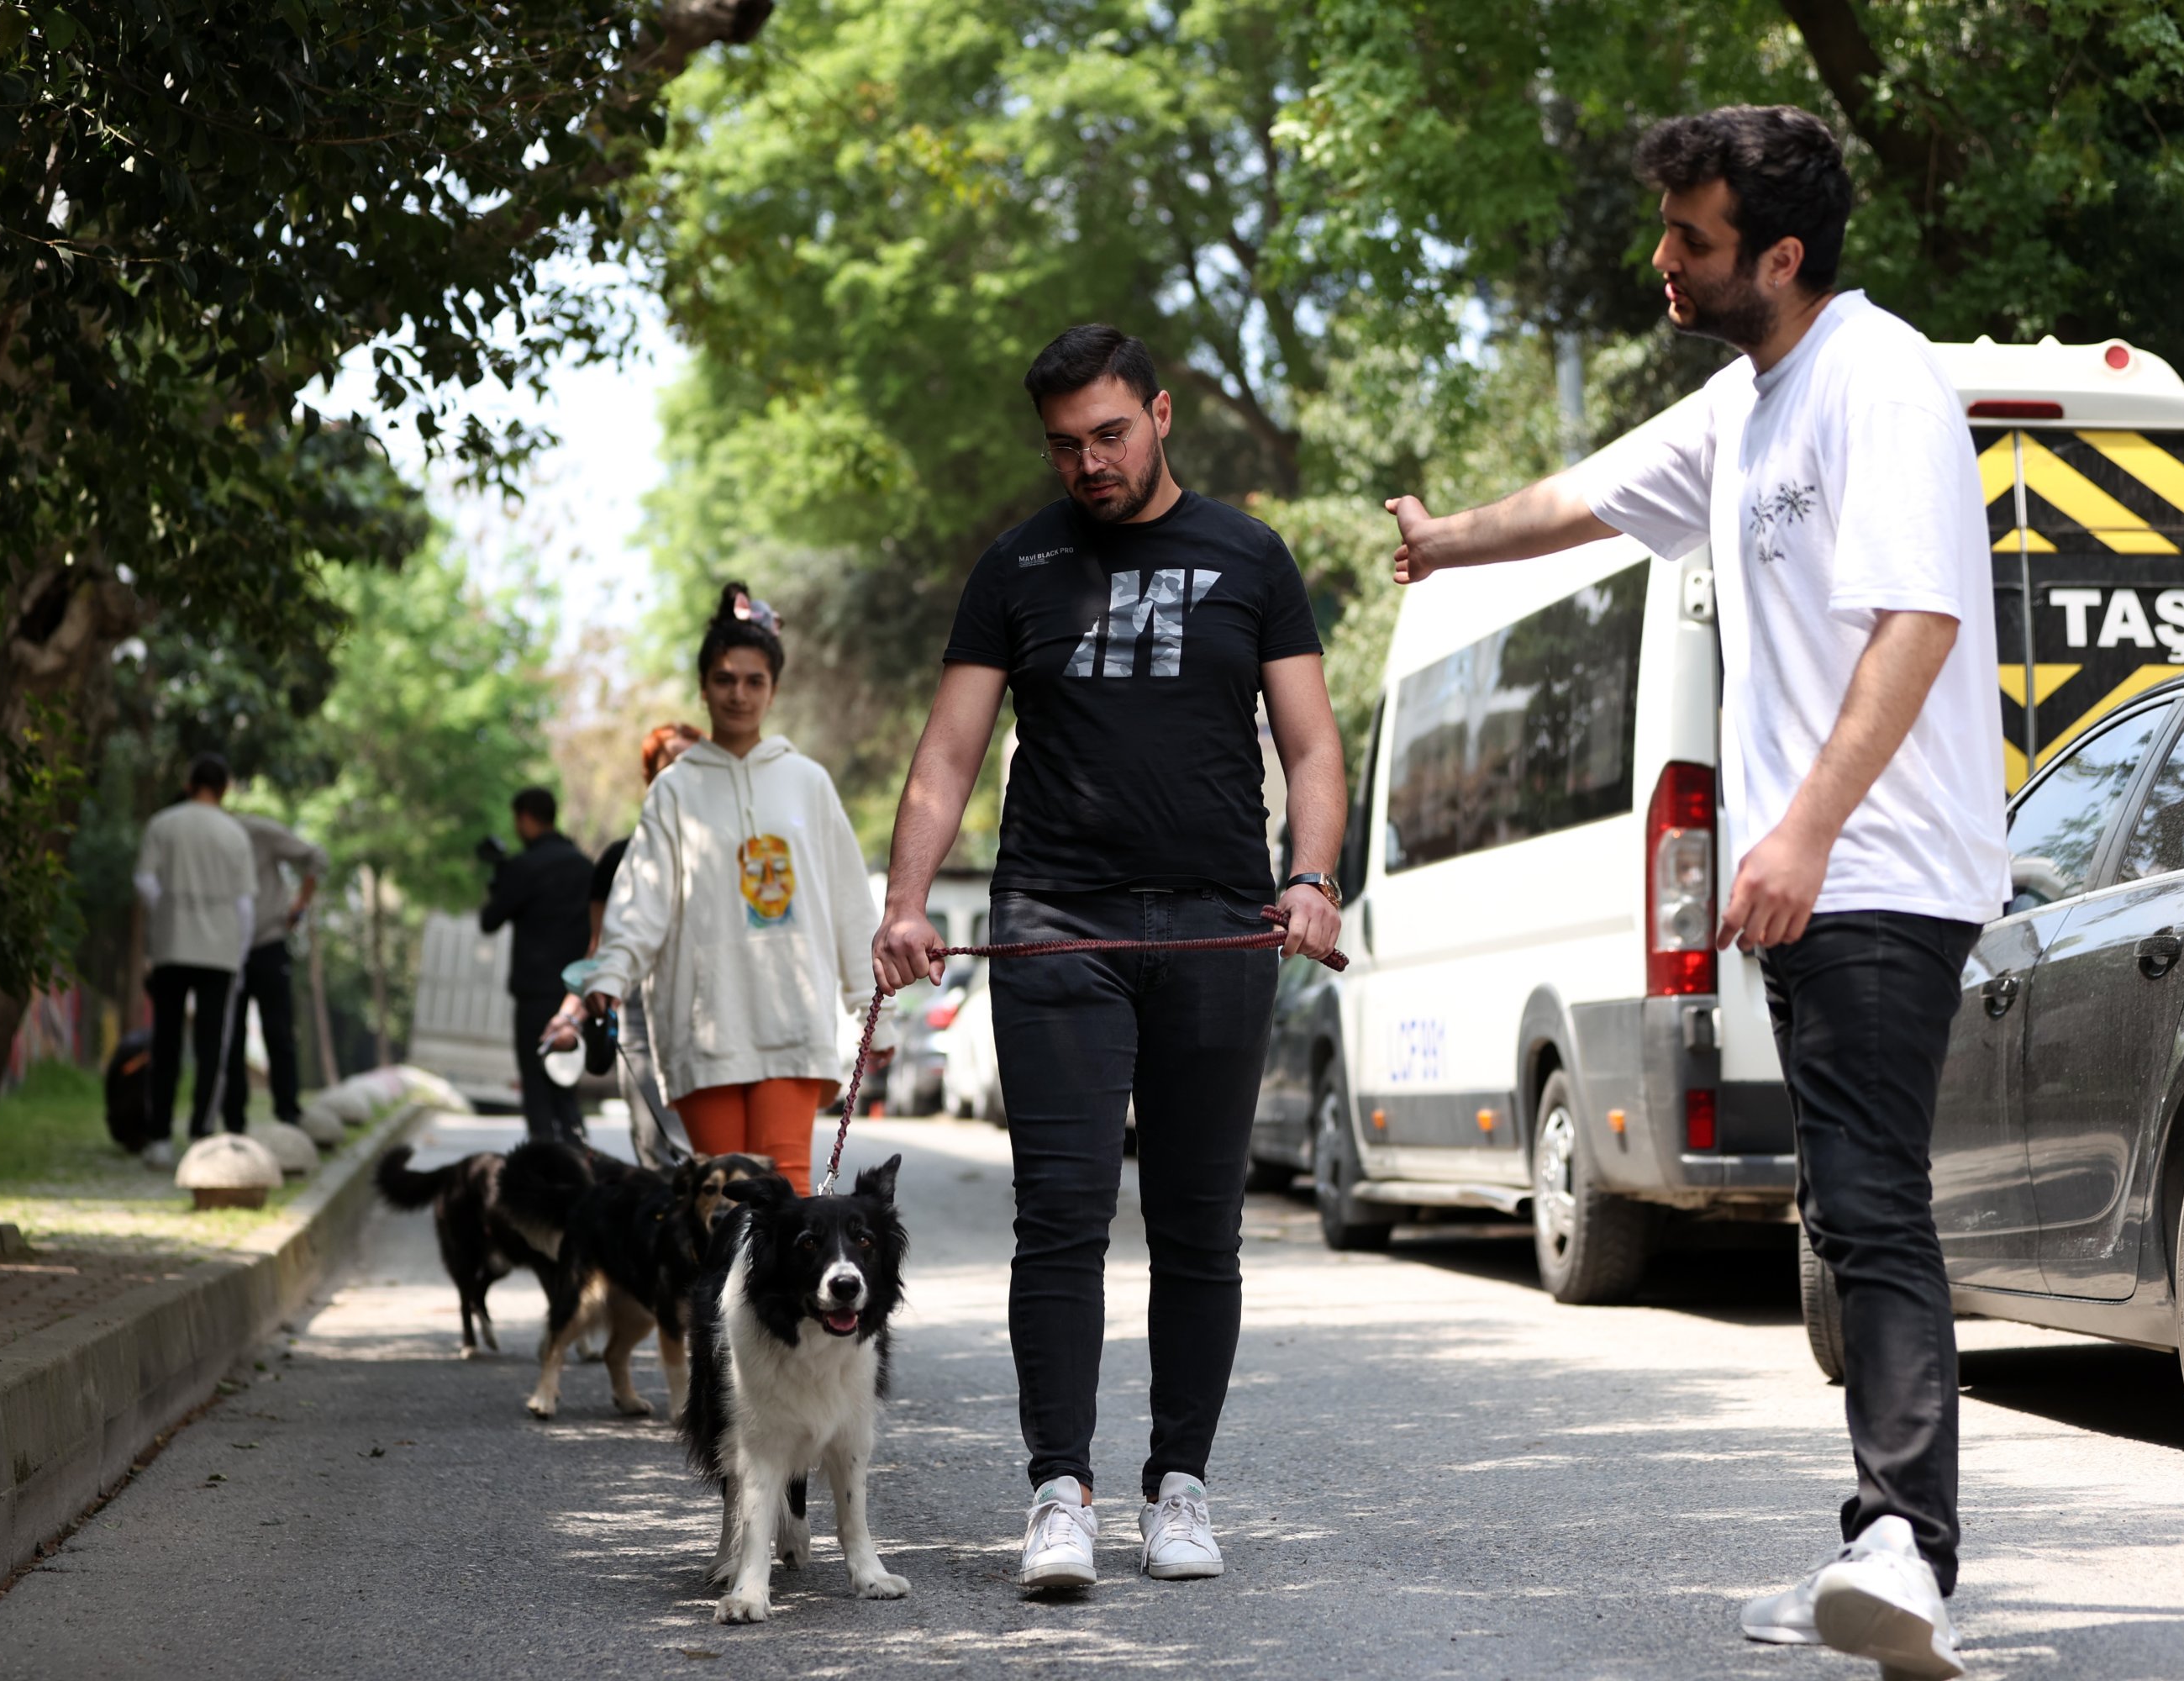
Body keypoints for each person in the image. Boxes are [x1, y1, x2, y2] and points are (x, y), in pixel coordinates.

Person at [1382, 107, 2006, 1679]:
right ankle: (1877, 1529)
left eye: (1694, 237)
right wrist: (1446, 544)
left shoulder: (1880, 380)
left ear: (1780, 257)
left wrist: (1794, 834)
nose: (1663, 258)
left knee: (1871, 1209)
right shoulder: (1745, 406)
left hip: (1880, 867)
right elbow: (1586, 498)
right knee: (1844, 1213)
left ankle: (1910, 1554)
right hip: (1816, 879)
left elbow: (1918, 626)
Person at [870, 324, 1346, 1591]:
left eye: (1111, 434)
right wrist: (907, 899)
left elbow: (1309, 744)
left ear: (1162, 414)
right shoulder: (1014, 567)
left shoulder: (1249, 554)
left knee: (1198, 1227)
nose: (1089, 463)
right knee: (1062, 1220)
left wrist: (1310, 878)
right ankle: (1057, 1493)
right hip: (1054, 925)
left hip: (1218, 924)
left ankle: (1180, 1487)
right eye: (1066, 445)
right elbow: (948, 753)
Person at [585, 585, 875, 1194]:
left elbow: (849, 901)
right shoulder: (674, 791)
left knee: (787, 1191)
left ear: (773, 689)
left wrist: (877, 1011)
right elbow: (643, 902)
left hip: (793, 1015)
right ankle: (722, 1297)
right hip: (704, 1020)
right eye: (724, 680)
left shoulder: (807, 782)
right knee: (722, 1200)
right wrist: (611, 974)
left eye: (754, 681)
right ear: (703, 687)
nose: (738, 694)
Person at [133, 752, 260, 1168]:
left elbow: (145, 881)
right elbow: (245, 906)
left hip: (171, 946)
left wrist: (167, 912)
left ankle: (158, 1139)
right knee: (212, 1049)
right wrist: (239, 956)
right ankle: (202, 1137)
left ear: (190, 783)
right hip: (219, 954)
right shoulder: (235, 834)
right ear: (223, 789)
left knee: (166, 1043)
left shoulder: (163, 824)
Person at [582, 721, 698, 1167]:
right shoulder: (618, 857)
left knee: (711, 1159)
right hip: (638, 1018)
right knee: (655, 1147)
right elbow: (599, 947)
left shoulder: (731, 849)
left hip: (707, 1015)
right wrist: (573, 1013)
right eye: (673, 761)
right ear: (651, 776)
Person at [478, 787, 594, 1145]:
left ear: (525, 818)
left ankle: (544, 1164)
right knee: (566, 1084)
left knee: (536, 1083)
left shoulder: (523, 867)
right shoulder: (584, 865)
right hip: (575, 996)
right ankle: (578, 1161)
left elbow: (490, 920)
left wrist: (500, 880)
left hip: (534, 995)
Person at [224, 810, 328, 1133]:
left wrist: (300, 903)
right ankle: (232, 1121)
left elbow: (317, 857)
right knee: (230, 1037)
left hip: (268, 941)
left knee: (279, 1032)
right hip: (226, 949)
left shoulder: (258, 830)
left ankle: (288, 1113)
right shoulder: (206, 835)